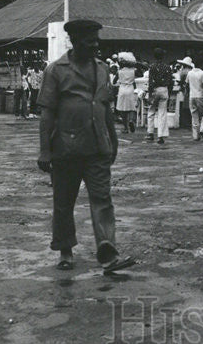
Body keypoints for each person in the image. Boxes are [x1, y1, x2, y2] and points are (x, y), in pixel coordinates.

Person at [37, 19, 135, 275]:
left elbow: (105, 107)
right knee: (64, 202)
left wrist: (112, 141)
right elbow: (47, 114)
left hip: (98, 148)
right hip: (65, 149)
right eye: (90, 41)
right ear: (75, 41)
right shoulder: (56, 70)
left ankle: (107, 250)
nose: (95, 45)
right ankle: (65, 250)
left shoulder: (103, 69)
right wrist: (44, 150)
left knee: (103, 199)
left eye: (96, 41)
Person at [146, 48, 172, 146]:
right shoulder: (167, 67)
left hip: (155, 89)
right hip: (164, 89)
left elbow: (150, 81)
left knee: (151, 111)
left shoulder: (152, 67)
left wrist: (149, 94)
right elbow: (170, 81)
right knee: (162, 113)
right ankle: (161, 135)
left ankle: (150, 132)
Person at [185, 59, 203, 141]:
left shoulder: (189, 73)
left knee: (194, 115)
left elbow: (186, 84)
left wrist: (187, 93)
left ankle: (196, 136)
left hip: (192, 96)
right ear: (201, 65)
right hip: (201, 96)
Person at [114, 54, 139, 133]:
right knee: (131, 107)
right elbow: (136, 80)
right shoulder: (133, 71)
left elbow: (114, 81)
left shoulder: (119, 71)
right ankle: (131, 120)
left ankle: (125, 128)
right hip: (130, 89)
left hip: (122, 89)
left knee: (122, 110)